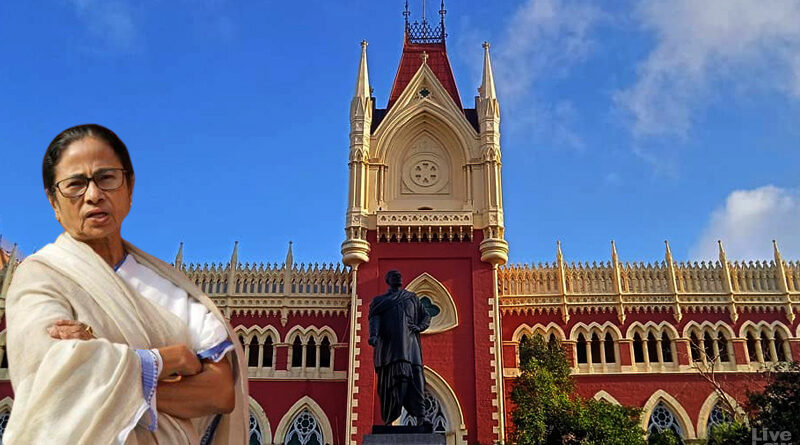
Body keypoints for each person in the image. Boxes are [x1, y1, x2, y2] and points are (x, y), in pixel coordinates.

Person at [3, 124, 248, 444]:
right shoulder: (39, 278)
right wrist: (167, 360)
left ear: (129, 187)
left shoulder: (175, 290)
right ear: (53, 201)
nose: (93, 195)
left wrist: (99, 357)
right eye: (75, 184)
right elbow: (54, 378)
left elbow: (219, 392)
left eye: (107, 178)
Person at [368, 270, 431, 426]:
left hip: (411, 347)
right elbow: (374, 319)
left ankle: (420, 417)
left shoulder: (412, 298)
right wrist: (374, 336)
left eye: (400, 275)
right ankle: (389, 418)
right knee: (391, 382)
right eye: (395, 276)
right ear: (388, 280)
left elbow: (426, 316)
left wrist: (419, 327)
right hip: (391, 348)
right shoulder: (380, 301)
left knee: (417, 379)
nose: (399, 277)